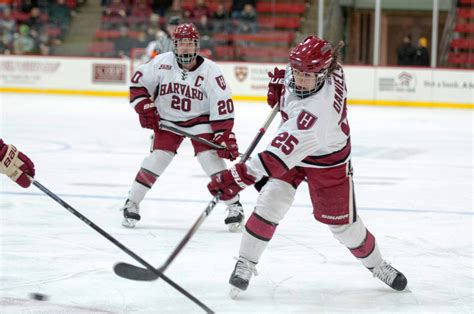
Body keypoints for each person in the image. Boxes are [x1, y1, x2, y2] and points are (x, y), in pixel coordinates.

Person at [207, 35, 408, 297]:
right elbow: (295, 83)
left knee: (344, 228)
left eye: (307, 75)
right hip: (294, 148)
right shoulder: (319, 68)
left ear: (323, 73)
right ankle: (245, 261)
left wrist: (237, 177)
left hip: (327, 160)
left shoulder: (317, 113)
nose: (299, 80)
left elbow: (273, 159)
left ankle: (378, 265)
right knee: (271, 202)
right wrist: (282, 90)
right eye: (297, 72)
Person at [122, 23, 246, 232]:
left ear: (197, 46)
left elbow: (222, 104)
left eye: (190, 44)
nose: (186, 48)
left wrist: (224, 135)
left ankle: (235, 206)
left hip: (200, 121)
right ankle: (131, 202)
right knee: (157, 159)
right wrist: (145, 106)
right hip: (168, 121)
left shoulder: (211, 70)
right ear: (175, 46)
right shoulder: (161, 62)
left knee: (211, 161)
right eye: (181, 44)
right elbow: (138, 85)